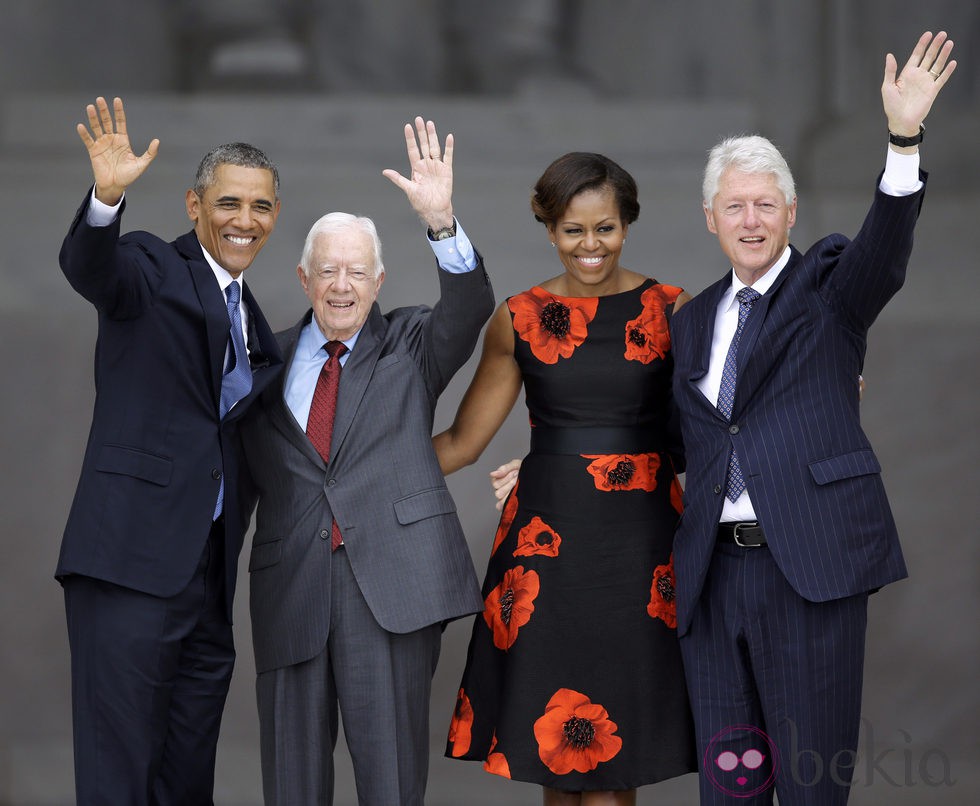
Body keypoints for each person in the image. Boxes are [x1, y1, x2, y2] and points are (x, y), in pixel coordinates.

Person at [668, 31, 956, 805]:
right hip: (712, 580)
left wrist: (903, 140)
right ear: (710, 219)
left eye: (767, 205)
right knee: (731, 792)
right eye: (736, 207)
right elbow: (678, 437)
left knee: (809, 788)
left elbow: (886, 251)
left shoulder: (830, 288)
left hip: (809, 573)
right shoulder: (690, 322)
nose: (752, 220)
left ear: (792, 212)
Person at [239, 117, 494, 805]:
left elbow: (470, 307)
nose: (342, 284)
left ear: (379, 280)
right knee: (292, 786)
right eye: (329, 270)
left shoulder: (412, 345)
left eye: (357, 271)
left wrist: (441, 221)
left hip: (390, 590)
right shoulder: (265, 363)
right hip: (291, 588)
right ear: (304, 277)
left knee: (390, 785)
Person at [435, 152, 697, 805]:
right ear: (549, 229)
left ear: (627, 226)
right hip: (546, 549)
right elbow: (464, 443)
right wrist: (358, 474)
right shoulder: (519, 317)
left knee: (613, 759)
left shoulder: (673, 309)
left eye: (604, 228)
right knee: (554, 754)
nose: (590, 245)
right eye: (573, 230)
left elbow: (706, 435)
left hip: (641, 553)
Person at [56, 96, 284, 804]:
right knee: (118, 772)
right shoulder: (152, 268)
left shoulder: (255, 319)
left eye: (261, 207)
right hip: (129, 562)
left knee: (187, 779)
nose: (244, 221)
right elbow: (93, 268)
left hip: (207, 575)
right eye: (228, 203)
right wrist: (106, 197)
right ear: (193, 205)